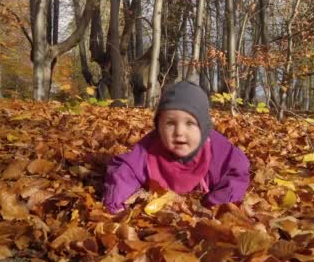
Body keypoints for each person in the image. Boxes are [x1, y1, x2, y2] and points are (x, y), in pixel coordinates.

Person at [103, 81, 250, 214]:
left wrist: (215, 206)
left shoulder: (217, 150)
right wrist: (117, 203)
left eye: (190, 123)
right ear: (159, 127)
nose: (179, 132)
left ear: (204, 128)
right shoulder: (151, 147)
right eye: (170, 123)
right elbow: (126, 170)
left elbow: (237, 173)